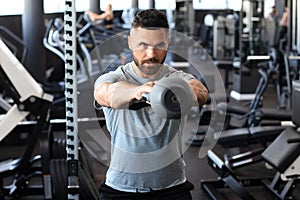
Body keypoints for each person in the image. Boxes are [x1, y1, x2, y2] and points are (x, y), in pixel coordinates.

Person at [94, 9, 208, 200]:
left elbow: (200, 90)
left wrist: (180, 93)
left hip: (173, 187)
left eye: (159, 45)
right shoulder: (115, 77)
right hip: (121, 189)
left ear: (168, 42)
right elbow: (105, 93)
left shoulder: (176, 77)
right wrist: (138, 91)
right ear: (130, 42)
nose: (151, 54)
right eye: (143, 45)